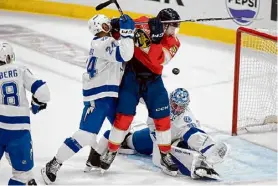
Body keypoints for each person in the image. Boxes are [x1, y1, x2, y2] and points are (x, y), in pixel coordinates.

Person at [40, 14, 135, 185]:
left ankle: (96, 155)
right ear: (100, 29)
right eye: (106, 25)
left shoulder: (105, 41)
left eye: (109, 24)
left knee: (122, 127)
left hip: (110, 95)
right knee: (85, 135)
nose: (109, 26)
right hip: (98, 97)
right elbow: (125, 54)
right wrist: (127, 31)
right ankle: (54, 163)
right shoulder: (102, 43)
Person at [100, 8, 181, 176]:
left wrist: (157, 40)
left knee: (163, 118)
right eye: (172, 27)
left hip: (153, 81)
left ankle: (165, 154)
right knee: (123, 117)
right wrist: (117, 27)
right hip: (131, 77)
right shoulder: (142, 22)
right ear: (164, 25)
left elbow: (157, 60)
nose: (174, 31)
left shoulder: (174, 43)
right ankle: (112, 150)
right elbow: (121, 35)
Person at [89, 88, 229, 180]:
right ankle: (124, 139)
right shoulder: (160, 106)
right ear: (170, 101)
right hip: (153, 137)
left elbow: (195, 131)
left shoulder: (186, 117)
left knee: (191, 136)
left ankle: (211, 150)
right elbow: (151, 123)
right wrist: (159, 138)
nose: (177, 109)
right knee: (132, 142)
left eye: (181, 106)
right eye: (175, 105)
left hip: (175, 137)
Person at [0, 42, 50, 185]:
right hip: (18, 131)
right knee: (23, 176)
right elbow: (44, 93)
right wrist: (36, 103)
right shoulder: (19, 69)